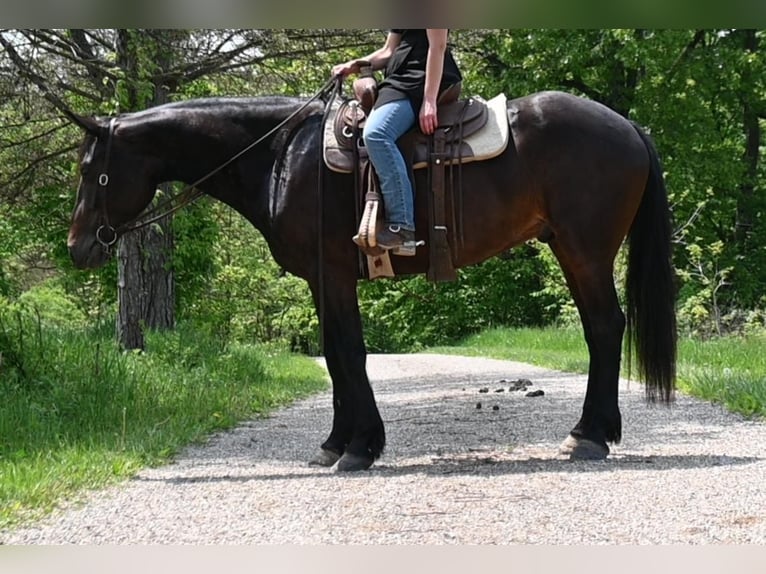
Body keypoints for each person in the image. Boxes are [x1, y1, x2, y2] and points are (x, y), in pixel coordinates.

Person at [332, 29, 462, 255]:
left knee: (376, 134)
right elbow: (388, 51)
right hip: (399, 82)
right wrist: (353, 65)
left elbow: (437, 47)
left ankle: (402, 225)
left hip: (421, 82)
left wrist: (429, 100)